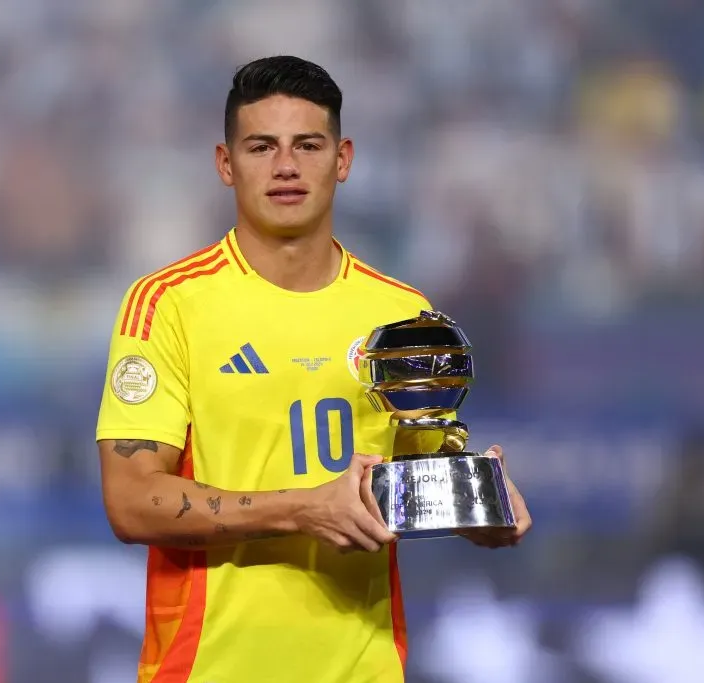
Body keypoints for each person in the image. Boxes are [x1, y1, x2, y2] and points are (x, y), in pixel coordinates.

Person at [95, 55, 532, 683]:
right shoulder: (168, 305)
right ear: (226, 164)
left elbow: (413, 478)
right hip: (211, 669)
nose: (285, 167)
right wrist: (302, 509)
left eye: (307, 144)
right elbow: (132, 502)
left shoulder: (401, 313)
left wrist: (477, 505)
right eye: (261, 146)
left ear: (344, 159)